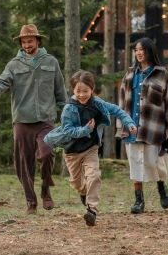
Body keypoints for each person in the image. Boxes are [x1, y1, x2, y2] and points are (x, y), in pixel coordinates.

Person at [0, 24, 67, 214]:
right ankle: (31, 202)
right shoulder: (14, 64)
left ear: (38, 41)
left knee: (47, 153)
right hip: (22, 120)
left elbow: (60, 91)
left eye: (30, 41)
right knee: (23, 163)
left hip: (46, 119)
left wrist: (70, 110)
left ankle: (46, 189)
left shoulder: (51, 62)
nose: (27, 45)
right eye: (24, 41)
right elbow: (2, 81)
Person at [44, 70, 136, 226]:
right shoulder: (69, 108)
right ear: (73, 90)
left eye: (85, 91)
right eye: (78, 91)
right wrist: (85, 130)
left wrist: (129, 123)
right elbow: (67, 130)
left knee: (94, 175)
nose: (82, 95)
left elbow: (117, 110)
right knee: (76, 183)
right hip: (72, 151)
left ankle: (92, 210)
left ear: (92, 89)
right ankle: (83, 193)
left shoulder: (97, 103)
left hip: (90, 148)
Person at [117, 38, 168, 214]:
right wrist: (120, 126)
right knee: (135, 163)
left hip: (153, 127)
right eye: (136, 49)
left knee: (154, 162)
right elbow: (122, 102)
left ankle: (161, 186)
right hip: (132, 127)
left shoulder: (162, 74)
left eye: (142, 49)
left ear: (150, 51)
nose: (138, 53)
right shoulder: (129, 75)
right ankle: (139, 200)